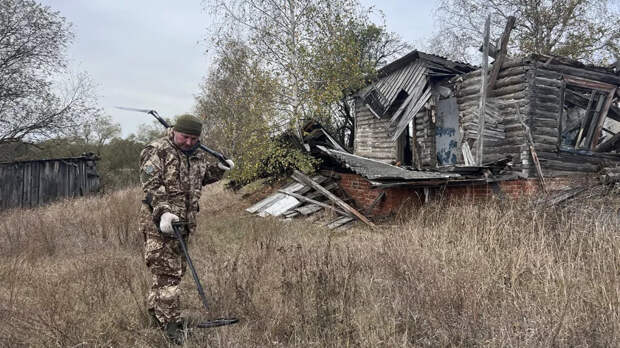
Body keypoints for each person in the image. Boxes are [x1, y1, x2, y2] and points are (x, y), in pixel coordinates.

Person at [138, 114, 233, 343]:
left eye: (194, 138)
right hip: (159, 223)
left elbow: (199, 179)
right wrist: (163, 212)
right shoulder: (156, 150)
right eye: (185, 137)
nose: (189, 142)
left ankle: (157, 316)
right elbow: (152, 187)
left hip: (185, 223)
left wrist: (220, 169)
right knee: (167, 274)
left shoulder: (198, 154)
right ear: (175, 131)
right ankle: (172, 326)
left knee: (172, 272)